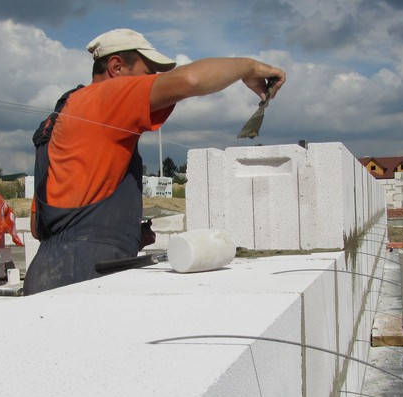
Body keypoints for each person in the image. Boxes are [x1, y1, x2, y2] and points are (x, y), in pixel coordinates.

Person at [23, 28, 285, 294]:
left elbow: (38, 227)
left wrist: (119, 236)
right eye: (148, 73)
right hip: (84, 277)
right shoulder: (104, 98)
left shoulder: (61, 118)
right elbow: (191, 80)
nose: (154, 81)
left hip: (49, 272)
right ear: (116, 67)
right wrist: (247, 67)